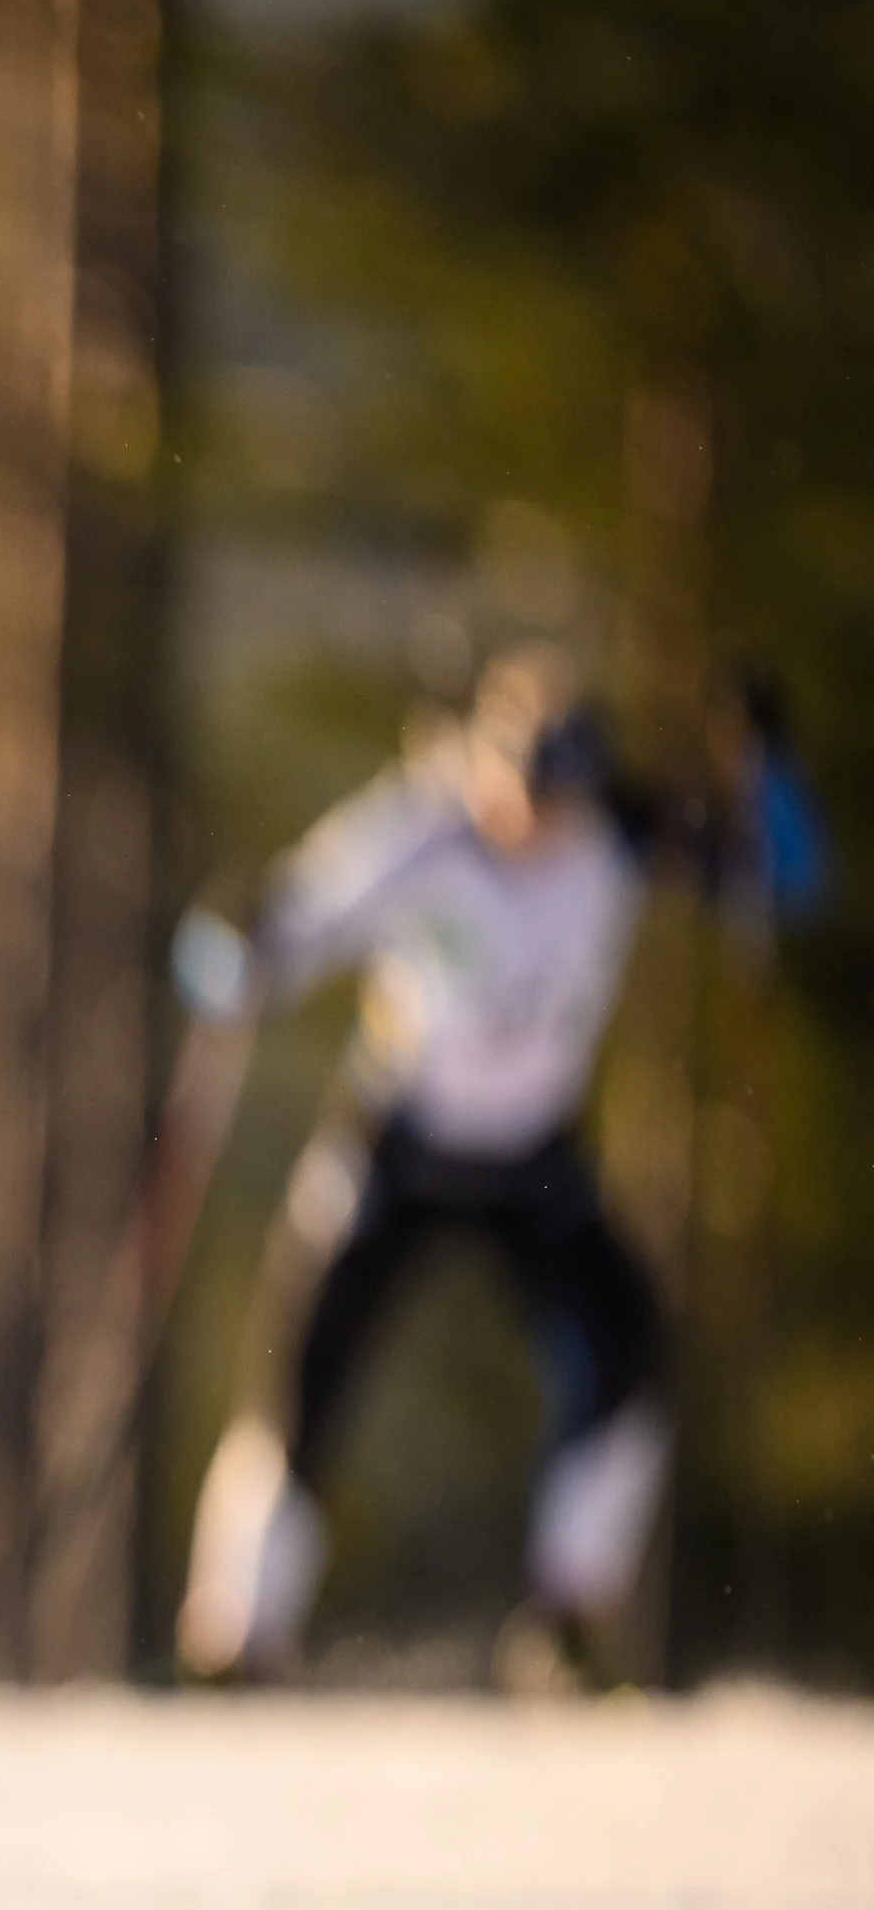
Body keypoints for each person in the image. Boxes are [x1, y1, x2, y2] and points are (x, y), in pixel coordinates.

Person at [172, 647, 673, 1694]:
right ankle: (235, 1629)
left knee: (625, 1352)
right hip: (401, 1144)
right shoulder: (419, 829)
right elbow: (293, 916)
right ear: (482, 763)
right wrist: (237, 940)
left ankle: (571, 1616)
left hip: (534, 1157)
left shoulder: (617, 836)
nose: (536, 821)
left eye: (559, 798)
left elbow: (779, 867)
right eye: (522, 791)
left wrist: (760, 781)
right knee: (300, 1367)